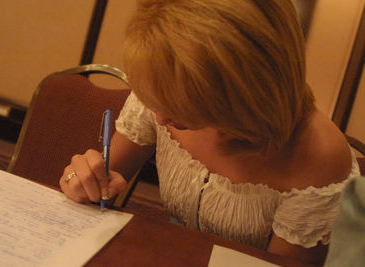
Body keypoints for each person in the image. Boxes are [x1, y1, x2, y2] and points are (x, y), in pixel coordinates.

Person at [59, 0, 361, 264]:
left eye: (183, 103)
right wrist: (84, 182)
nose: (161, 117)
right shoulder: (165, 89)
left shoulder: (317, 156)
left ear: (243, 88)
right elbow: (104, 189)